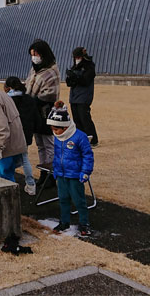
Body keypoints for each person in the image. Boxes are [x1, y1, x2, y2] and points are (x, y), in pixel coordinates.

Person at [47, 101, 94, 236]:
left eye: (56, 129)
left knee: (79, 200)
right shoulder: (58, 138)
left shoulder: (79, 136)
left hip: (75, 175)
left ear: (65, 127)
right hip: (61, 174)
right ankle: (64, 221)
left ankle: (84, 223)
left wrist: (85, 171)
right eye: (52, 129)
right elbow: (56, 156)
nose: (54, 132)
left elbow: (87, 155)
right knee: (63, 199)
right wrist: (55, 170)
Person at [25, 39, 60, 188]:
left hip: (46, 111)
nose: (34, 57)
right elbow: (28, 85)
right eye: (32, 54)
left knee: (48, 143)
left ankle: (51, 175)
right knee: (40, 144)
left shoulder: (52, 71)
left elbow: (50, 94)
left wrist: (32, 99)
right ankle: (43, 173)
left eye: (36, 54)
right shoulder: (34, 69)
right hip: (35, 111)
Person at [4, 76, 44, 195]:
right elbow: (36, 117)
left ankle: (9, 184)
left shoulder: (6, 100)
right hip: (26, 134)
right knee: (25, 159)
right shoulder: (29, 99)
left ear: (8, 87)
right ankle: (31, 185)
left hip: (11, 134)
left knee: (7, 159)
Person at [66, 47, 99, 147]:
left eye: (78, 57)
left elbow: (86, 80)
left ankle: (93, 139)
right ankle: (81, 139)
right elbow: (70, 83)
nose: (77, 59)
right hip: (74, 96)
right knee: (77, 119)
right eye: (75, 57)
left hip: (84, 96)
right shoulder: (74, 67)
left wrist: (76, 77)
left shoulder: (89, 66)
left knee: (84, 118)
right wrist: (70, 78)